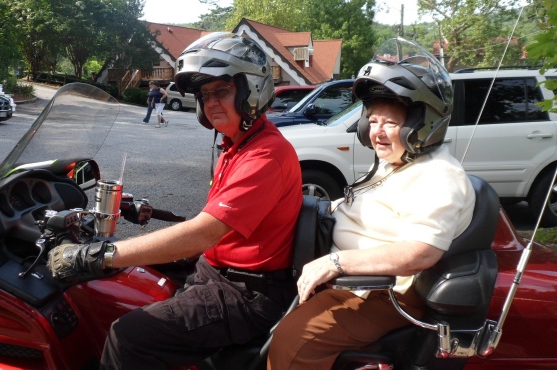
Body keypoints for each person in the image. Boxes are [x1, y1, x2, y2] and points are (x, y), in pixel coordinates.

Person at [46, 32, 303, 369]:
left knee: (128, 336)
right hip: (218, 269)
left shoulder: (265, 155)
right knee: (120, 280)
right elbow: (216, 222)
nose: (211, 103)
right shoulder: (237, 146)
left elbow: (204, 233)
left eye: (221, 91)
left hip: (245, 293)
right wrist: (149, 215)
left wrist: (98, 255)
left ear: (251, 91)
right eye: (204, 95)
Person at [267, 37, 475, 369]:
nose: (377, 132)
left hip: (381, 293)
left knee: (294, 341)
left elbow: (420, 253)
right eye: (373, 120)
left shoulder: (438, 175)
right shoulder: (397, 163)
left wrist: (335, 263)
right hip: (354, 281)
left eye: (390, 123)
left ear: (422, 124)